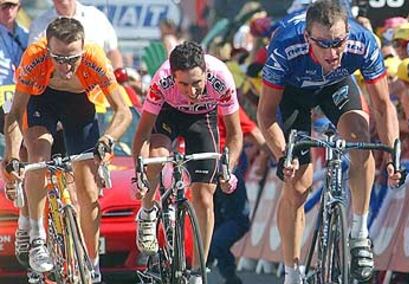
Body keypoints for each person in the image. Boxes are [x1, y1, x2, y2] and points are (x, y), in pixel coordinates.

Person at [257, 1, 405, 283]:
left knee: (360, 140)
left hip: (335, 87)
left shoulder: (363, 42)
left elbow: (384, 106)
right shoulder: (285, 45)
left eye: (338, 42)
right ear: (307, 37)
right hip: (292, 96)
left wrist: (392, 155)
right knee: (298, 185)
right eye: (323, 44)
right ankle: (292, 272)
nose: (332, 52)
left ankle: (359, 233)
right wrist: (282, 154)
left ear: (348, 33)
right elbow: (265, 113)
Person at [1, 17, 131, 283]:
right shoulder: (34, 57)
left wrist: (107, 139)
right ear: (47, 49)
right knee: (38, 156)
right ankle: (38, 238)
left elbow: (124, 112)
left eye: (73, 58)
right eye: (58, 58)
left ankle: (92, 266)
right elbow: (14, 114)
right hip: (42, 101)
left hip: (78, 106)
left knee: (88, 191)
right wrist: (12, 154)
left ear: (83, 49)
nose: (66, 66)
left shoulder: (95, 58)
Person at [132, 41, 242, 283]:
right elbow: (142, 133)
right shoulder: (161, 80)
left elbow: (235, 134)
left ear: (205, 72)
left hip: (202, 119)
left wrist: (227, 170)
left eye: (196, 83)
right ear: (173, 77)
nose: (191, 92)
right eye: (183, 84)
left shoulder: (221, 78)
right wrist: (138, 171)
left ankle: (196, 272)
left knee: (204, 197)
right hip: (168, 115)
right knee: (156, 158)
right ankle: (148, 211)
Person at [208, 107, 269, 284]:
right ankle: (215, 255)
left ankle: (210, 262)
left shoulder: (184, 100)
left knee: (212, 221)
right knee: (239, 220)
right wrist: (280, 158)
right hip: (225, 171)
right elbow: (254, 132)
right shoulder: (222, 101)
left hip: (199, 173)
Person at [0, 0, 30, 269]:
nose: (8, 11)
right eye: (2, 7)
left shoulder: (25, 34)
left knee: (29, 151)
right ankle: (10, 176)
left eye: (12, 5)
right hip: (2, 102)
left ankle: (27, 219)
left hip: (19, 101)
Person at [28, 0, 123, 69]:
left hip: (98, 88)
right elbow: (33, 58)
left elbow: (113, 52)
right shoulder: (38, 25)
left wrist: (118, 77)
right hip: (56, 89)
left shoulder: (96, 17)